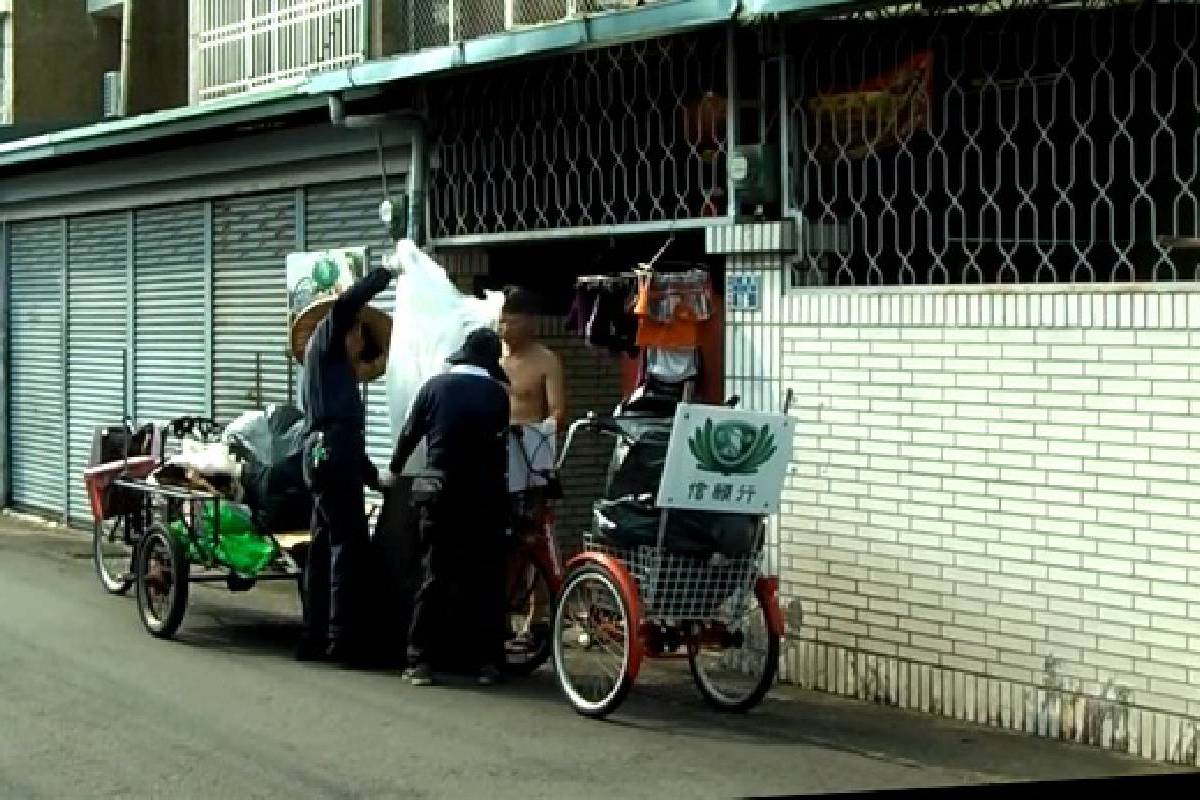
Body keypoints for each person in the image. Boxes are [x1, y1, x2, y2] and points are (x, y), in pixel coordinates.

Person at [385, 327, 512, 687]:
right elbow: (498, 447)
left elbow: (409, 435)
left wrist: (394, 472)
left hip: (439, 492)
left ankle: (419, 659)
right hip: (484, 495)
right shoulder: (497, 395)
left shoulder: (433, 388)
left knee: (434, 573)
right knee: (485, 577)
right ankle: (487, 663)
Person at [293, 263, 398, 664]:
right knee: (347, 547)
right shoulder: (327, 338)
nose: (362, 345)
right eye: (361, 335)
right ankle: (343, 639)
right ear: (350, 330)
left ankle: (313, 636)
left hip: (324, 454)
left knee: (323, 547)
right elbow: (349, 302)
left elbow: (351, 445)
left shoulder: (333, 371)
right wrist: (384, 273)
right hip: (331, 451)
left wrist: (374, 478)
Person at [498, 288, 566, 652]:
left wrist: (541, 432)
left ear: (530, 322)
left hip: (531, 459)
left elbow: (557, 411)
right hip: (497, 462)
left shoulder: (546, 360)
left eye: (511, 320)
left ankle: (537, 616)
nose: (504, 328)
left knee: (535, 541)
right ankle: (501, 617)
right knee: (501, 545)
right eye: (501, 319)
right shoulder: (493, 358)